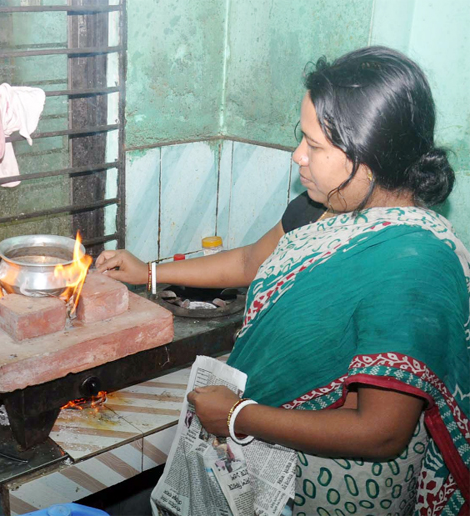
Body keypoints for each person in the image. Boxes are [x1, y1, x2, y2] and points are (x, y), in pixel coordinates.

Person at [96, 47, 469, 515]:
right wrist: (148, 271)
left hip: (340, 486)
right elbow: (253, 259)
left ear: (368, 155)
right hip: (270, 445)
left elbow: (381, 432)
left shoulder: (412, 264)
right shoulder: (325, 206)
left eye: (314, 146)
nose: (298, 157)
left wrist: (237, 416)